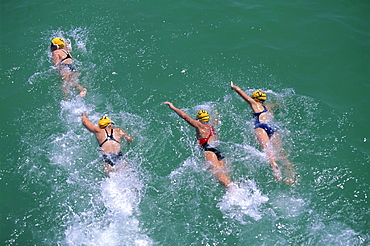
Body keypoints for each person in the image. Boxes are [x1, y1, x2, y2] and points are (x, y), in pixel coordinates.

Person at [164, 102, 237, 191]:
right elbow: (216, 119)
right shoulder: (212, 126)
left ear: (199, 119)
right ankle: (234, 189)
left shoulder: (200, 126)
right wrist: (215, 111)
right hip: (218, 151)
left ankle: (233, 190)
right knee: (225, 175)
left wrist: (173, 107)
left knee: (218, 175)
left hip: (209, 151)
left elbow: (184, 116)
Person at [230, 81, 285, 182]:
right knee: (282, 153)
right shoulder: (268, 107)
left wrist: (234, 87)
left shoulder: (255, 104)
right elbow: (278, 105)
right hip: (272, 128)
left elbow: (241, 92)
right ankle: (290, 174)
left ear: (255, 98)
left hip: (261, 127)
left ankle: (273, 165)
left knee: (268, 151)